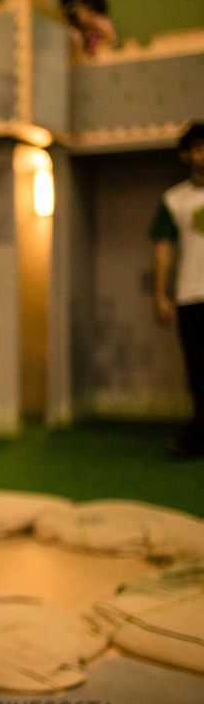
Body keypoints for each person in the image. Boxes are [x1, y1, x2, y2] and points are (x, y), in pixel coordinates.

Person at [151, 123, 204, 456]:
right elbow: (163, 247)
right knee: (198, 370)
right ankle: (199, 434)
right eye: (197, 147)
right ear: (185, 154)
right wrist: (160, 294)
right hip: (191, 295)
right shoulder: (174, 199)